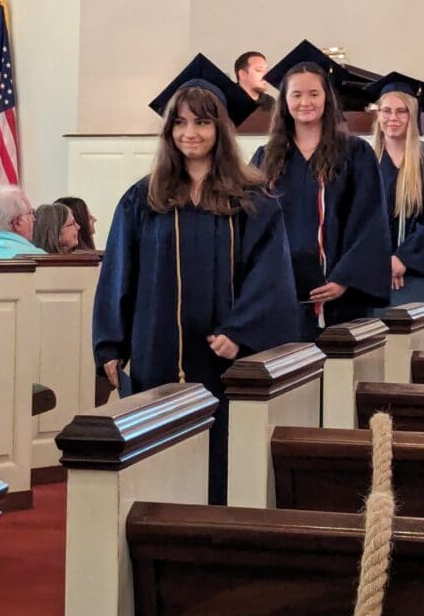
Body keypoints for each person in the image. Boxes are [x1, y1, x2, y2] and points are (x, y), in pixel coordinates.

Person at [93, 53, 298, 505]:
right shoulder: (143, 199)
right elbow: (118, 273)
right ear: (169, 131)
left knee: (221, 457)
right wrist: (110, 343)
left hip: (222, 356)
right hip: (156, 351)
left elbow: (271, 275)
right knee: (158, 453)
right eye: (180, 123)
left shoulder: (251, 199)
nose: (191, 133)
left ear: (219, 129)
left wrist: (239, 331)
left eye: (202, 123)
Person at [253, 41, 391, 340]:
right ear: (284, 101)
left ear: (327, 98)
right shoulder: (267, 158)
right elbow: (255, 228)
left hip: (343, 297)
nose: (306, 102)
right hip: (284, 296)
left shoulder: (355, 154)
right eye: (297, 94)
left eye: (314, 93)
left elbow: (370, 222)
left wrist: (344, 278)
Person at [365, 72, 424, 307]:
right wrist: (380, 261)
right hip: (372, 275)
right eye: (386, 111)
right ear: (378, 115)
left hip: (418, 275)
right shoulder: (363, 160)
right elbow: (356, 221)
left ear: (413, 115)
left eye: (401, 111)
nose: (392, 118)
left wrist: (403, 259)